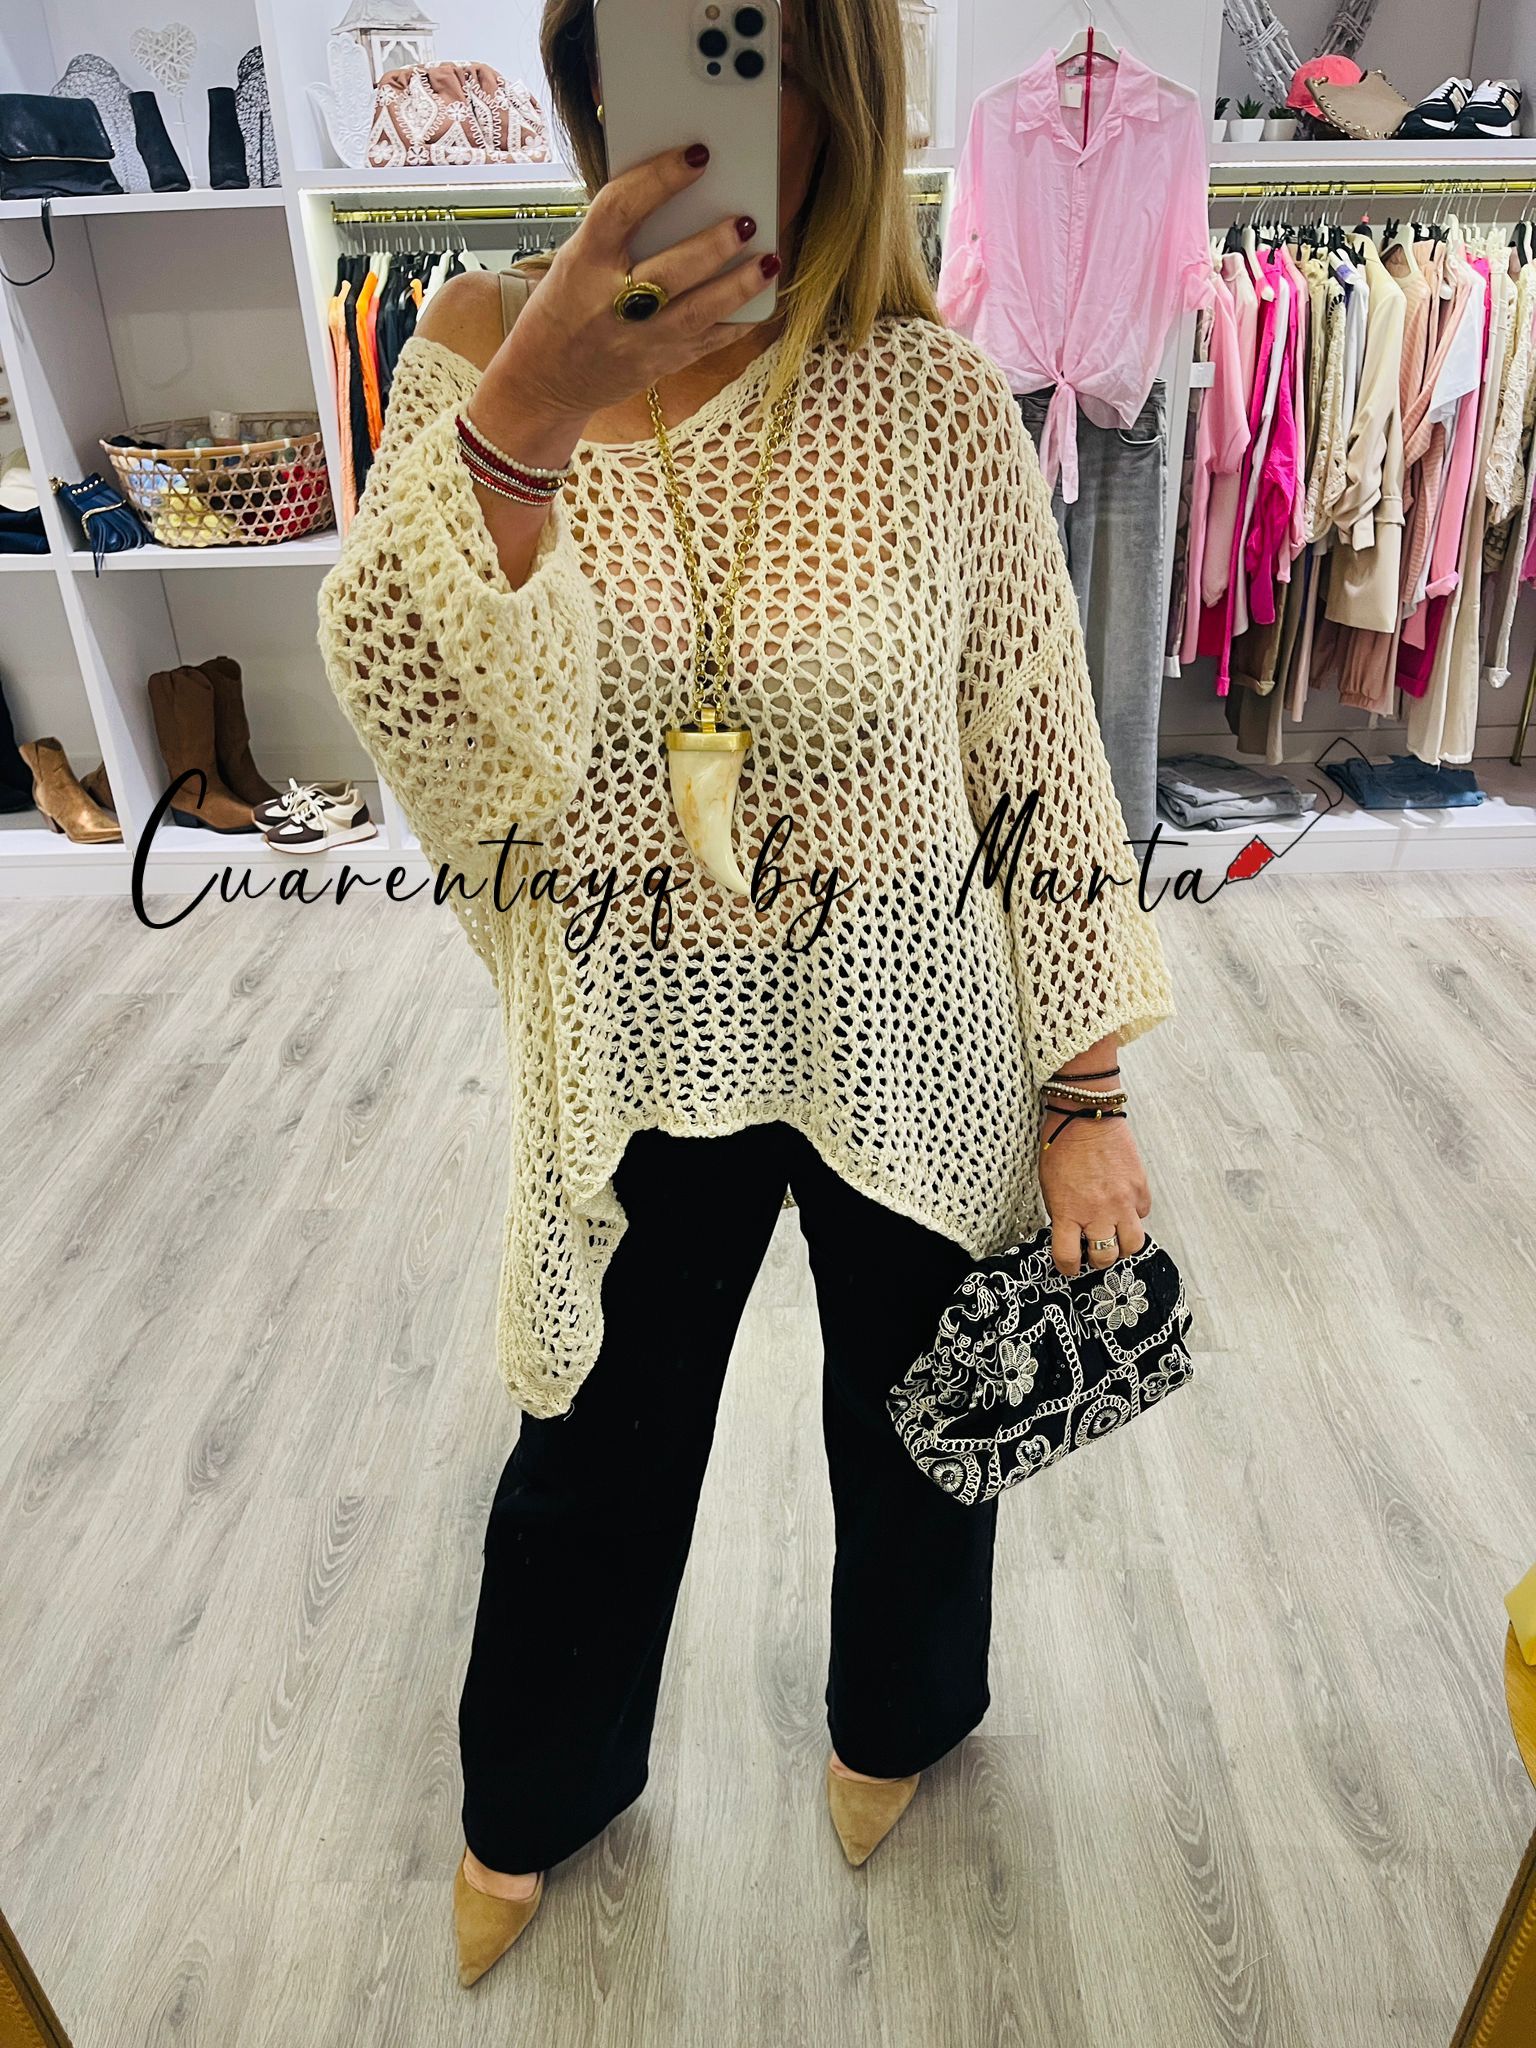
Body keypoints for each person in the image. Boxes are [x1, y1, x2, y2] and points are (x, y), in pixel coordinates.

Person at [318, 0, 1175, 1989]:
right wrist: (532, 418)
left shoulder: (927, 394)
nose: (692, 117)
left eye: (744, 52)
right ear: (582, 74)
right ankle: (535, 1788)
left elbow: (1034, 742)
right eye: (641, 51)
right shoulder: (476, 352)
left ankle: (903, 1716)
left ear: (836, 92)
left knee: (927, 1430)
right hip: (634, 1041)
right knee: (594, 1453)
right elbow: (423, 713)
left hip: (910, 1020)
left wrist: (1086, 1087)